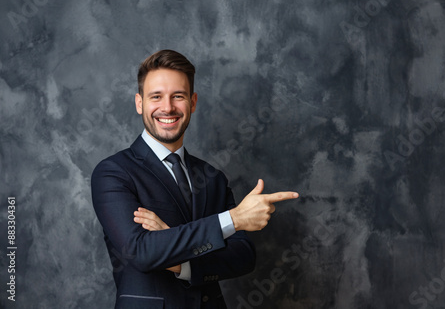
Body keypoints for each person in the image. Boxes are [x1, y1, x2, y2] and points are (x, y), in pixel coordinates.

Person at [91, 49, 299, 309]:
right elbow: (141, 252)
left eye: (178, 96)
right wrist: (232, 220)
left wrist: (177, 256)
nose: (167, 107)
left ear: (192, 102)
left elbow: (243, 256)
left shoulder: (213, 178)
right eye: (156, 96)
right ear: (139, 103)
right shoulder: (113, 173)